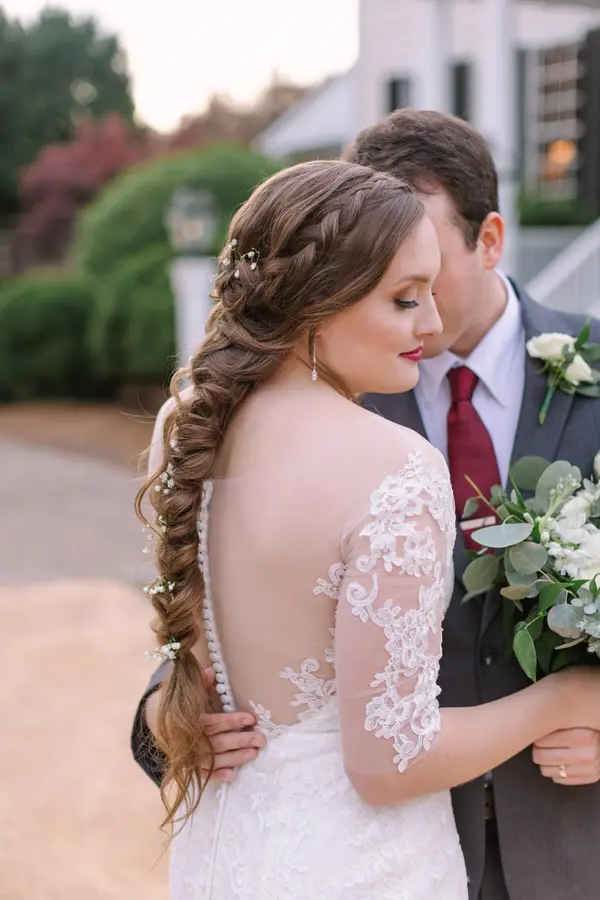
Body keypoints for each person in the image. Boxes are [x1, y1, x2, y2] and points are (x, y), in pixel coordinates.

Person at [135, 156, 600, 900]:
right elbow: (387, 762)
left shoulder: (186, 427)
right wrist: (566, 698)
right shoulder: (396, 462)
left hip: (234, 855)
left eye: (431, 290)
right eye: (405, 299)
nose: (431, 323)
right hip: (369, 863)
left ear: (487, 239)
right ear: (320, 299)